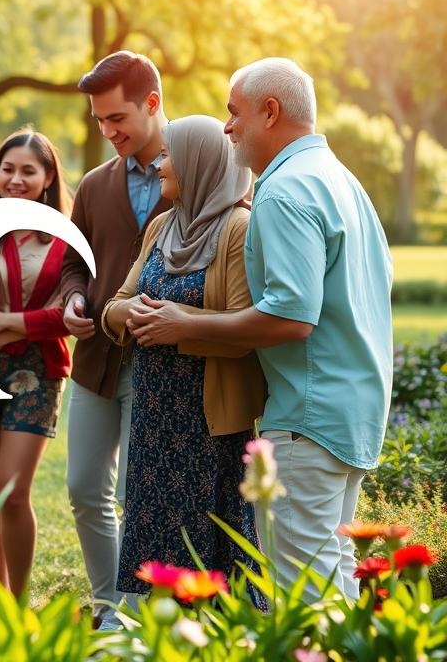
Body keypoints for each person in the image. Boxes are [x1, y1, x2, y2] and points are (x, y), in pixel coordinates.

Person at [126, 58, 393, 601]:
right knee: (331, 578)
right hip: (354, 413)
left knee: (302, 597)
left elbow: (291, 317)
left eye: (234, 113)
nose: (228, 128)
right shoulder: (342, 181)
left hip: (307, 419)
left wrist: (186, 324)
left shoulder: (284, 190)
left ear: (270, 112)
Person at [102, 115, 265, 596]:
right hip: (154, 418)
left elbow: (246, 327)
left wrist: (179, 328)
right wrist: (129, 313)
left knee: (210, 563)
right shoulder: (161, 227)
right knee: (159, 567)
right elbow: (115, 303)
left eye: (169, 154)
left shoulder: (238, 228)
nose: (159, 164)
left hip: (208, 424)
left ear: (201, 163)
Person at [60, 51, 172, 628]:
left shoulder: (199, 169)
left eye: (117, 118)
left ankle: (130, 614)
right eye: (99, 122)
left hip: (163, 360)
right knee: (83, 486)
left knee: (137, 491)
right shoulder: (96, 183)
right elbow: (74, 264)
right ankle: (108, 604)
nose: (108, 132)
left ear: (152, 103)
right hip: (96, 360)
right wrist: (73, 298)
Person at [0, 127, 73, 598]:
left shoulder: (66, 236)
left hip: (38, 370)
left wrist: (1, 322)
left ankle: (18, 603)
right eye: (8, 169)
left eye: (28, 170)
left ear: (47, 177)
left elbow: (65, 315)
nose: (16, 179)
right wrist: (0, 322)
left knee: (13, 489)